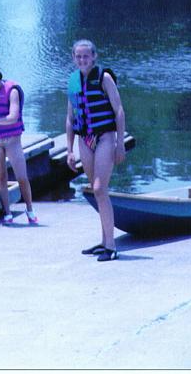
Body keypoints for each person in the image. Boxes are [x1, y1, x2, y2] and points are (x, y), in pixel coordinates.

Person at [66, 39, 126, 262]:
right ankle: (104, 241)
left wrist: (120, 143)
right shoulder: (73, 81)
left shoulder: (104, 78)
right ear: (74, 58)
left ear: (94, 57)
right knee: (95, 190)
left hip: (104, 137)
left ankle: (111, 246)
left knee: (100, 188)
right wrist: (69, 150)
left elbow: (119, 110)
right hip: (84, 139)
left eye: (86, 56)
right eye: (78, 56)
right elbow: (70, 118)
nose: (82, 60)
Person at [0, 64, 38, 225]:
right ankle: (7, 213)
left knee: (21, 177)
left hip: (12, 139)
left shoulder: (12, 91)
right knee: (1, 177)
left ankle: (30, 210)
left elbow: (13, 117)